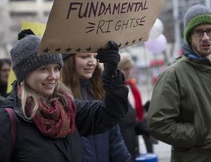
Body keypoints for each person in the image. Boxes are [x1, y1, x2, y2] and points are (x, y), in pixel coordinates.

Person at [0, 30, 128, 162]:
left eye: (56, 68)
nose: (53, 76)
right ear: (24, 74)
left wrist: (111, 74)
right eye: (43, 69)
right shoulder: (8, 120)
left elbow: (111, 113)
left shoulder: (68, 109)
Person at [147, 4, 211, 162]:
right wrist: (199, 134)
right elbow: (158, 124)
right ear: (189, 37)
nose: (206, 37)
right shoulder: (174, 74)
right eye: (199, 32)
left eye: (210, 30)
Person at [61, 52, 132, 162]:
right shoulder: (60, 100)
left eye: (94, 56)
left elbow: (115, 141)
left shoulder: (100, 92)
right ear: (68, 61)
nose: (92, 62)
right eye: (84, 56)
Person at [118, 52, 151, 161]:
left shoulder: (131, 86)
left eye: (129, 69)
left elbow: (134, 108)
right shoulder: (116, 90)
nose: (128, 72)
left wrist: (145, 108)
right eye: (125, 69)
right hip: (123, 139)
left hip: (134, 131)